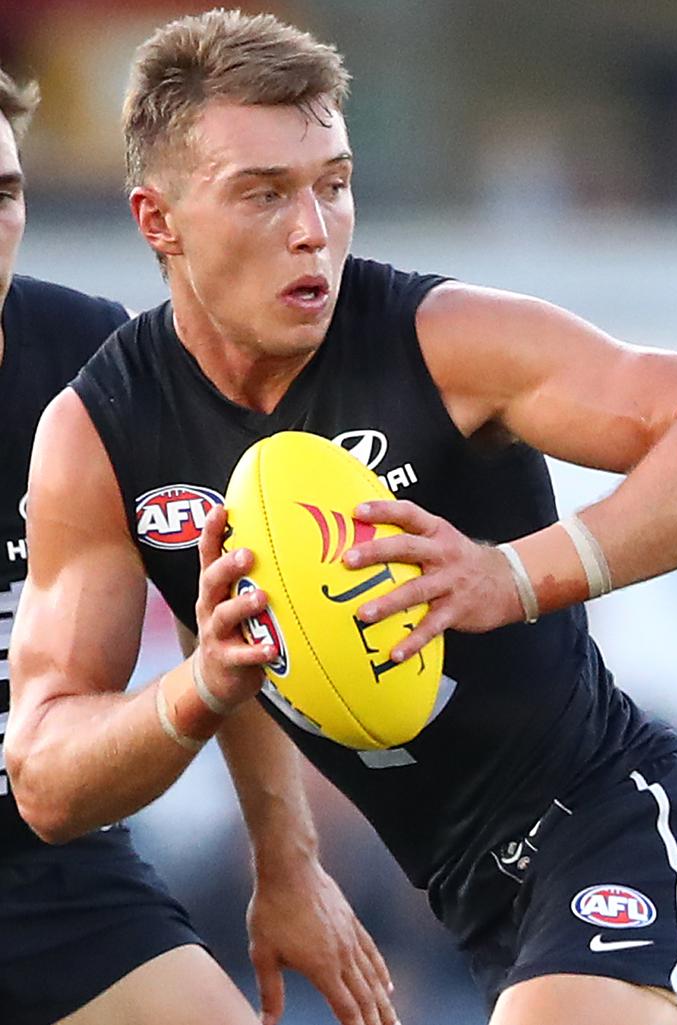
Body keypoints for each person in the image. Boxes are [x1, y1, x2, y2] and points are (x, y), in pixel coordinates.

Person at [7, 9, 677, 1025]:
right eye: (264, 193)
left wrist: (517, 573)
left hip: (631, 826)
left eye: (334, 182)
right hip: (480, 899)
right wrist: (198, 690)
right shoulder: (101, 431)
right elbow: (46, 773)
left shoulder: (442, 338)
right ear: (159, 220)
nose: (313, 227)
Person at [0, 62, 395, 1025]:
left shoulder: (92, 371)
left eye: (5, 192)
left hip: (46, 863)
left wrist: (287, 862)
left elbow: (217, 608)